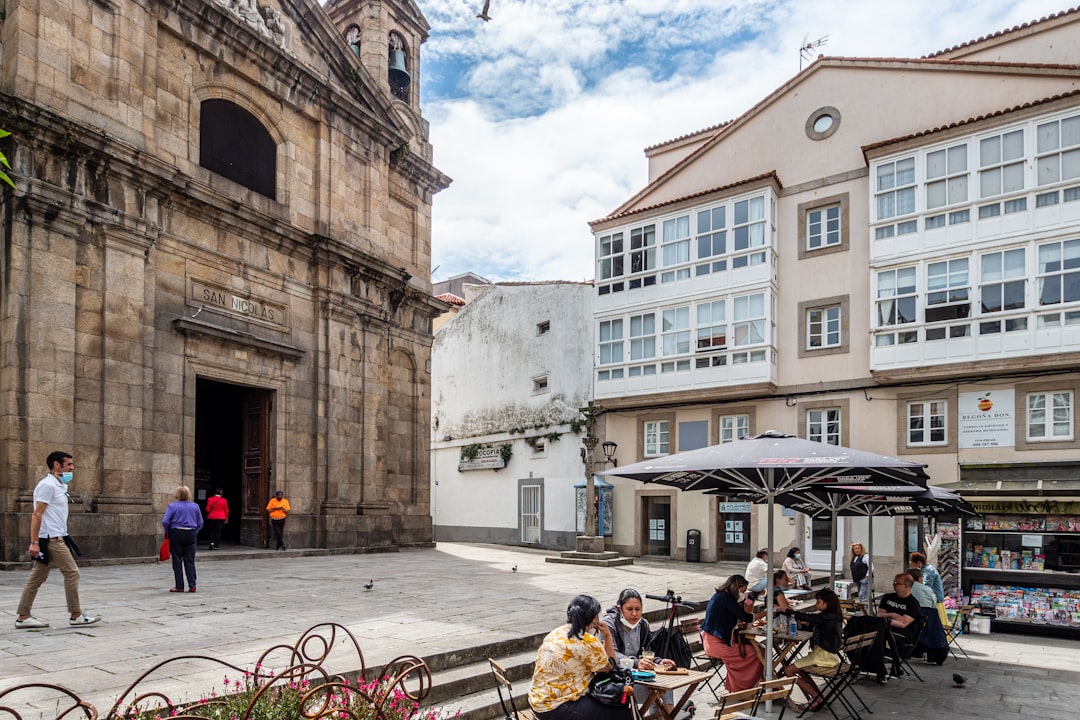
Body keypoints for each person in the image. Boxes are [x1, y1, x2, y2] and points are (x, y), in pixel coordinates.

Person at [15, 451, 101, 628]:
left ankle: (23, 616)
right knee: (72, 572)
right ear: (56, 465)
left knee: (36, 578)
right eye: (69, 464)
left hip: (55, 536)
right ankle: (76, 614)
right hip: (51, 539)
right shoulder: (48, 486)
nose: (72, 468)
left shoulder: (59, 485)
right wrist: (34, 542)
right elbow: (37, 514)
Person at [529, 594, 629, 720]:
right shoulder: (587, 640)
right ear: (593, 619)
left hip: (537, 699)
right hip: (557, 706)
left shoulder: (556, 632)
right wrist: (607, 636)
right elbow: (609, 670)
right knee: (623, 713)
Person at [602, 589, 676, 714]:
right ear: (620, 608)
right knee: (658, 691)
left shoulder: (643, 625)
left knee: (665, 686)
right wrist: (637, 662)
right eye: (629, 609)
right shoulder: (609, 624)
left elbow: (648, 652)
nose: (634, 614)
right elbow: (611, 656)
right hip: (615, 679)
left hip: (636, 675)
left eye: (638, 609)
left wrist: (659, 661)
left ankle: (667, 716)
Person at [701, 574, 763, 692]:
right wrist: (766, 613)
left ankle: (744, 686)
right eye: (742, 591)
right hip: (716, 644)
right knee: (756, 652)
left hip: (714, 640)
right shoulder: (726, 599)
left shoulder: (720, 596)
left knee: (758, 650)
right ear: (736, 587)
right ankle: (746, 687)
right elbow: (746, 617)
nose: (742, 595)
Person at [783, 588, 843, 712]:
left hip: (822, 655)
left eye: (819, 601)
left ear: (827, 603)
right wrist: (809, 624)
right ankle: (816, 696)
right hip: (828, 654)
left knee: (788, 671)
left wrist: (788, 611)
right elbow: (820, 626)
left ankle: (816, 697)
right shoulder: (833, 616)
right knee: (800, 670)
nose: (816, 604)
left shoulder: (827, 616)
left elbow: (808, 616)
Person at [876, 573, 922, 680]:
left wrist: (885, 619)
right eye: (894, 583)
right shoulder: (888, 597)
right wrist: (892, 615)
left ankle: (884, 665)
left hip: (904, 634)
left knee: (883, 637)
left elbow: (903, 624)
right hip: (885, 628)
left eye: (897, 583)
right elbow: (879, 615)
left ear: (906, 586)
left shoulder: (913, 604)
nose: (894, 585)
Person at [163, 486, 203, 592]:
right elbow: (200, 522)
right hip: (191, 533)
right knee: (189, 560)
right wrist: (195, 530)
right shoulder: (195, 506)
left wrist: (168, 530)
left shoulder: (172, 506)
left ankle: (179, 586)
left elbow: (165, 521)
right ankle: (192, 585)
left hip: (176, 532)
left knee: (177, 559)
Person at [909, 551, 948, 627]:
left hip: (936, 601)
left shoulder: (929, 571)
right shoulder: (925, 570)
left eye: (913, 565)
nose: (913, 567)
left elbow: (925, 586)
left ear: (919, 563)